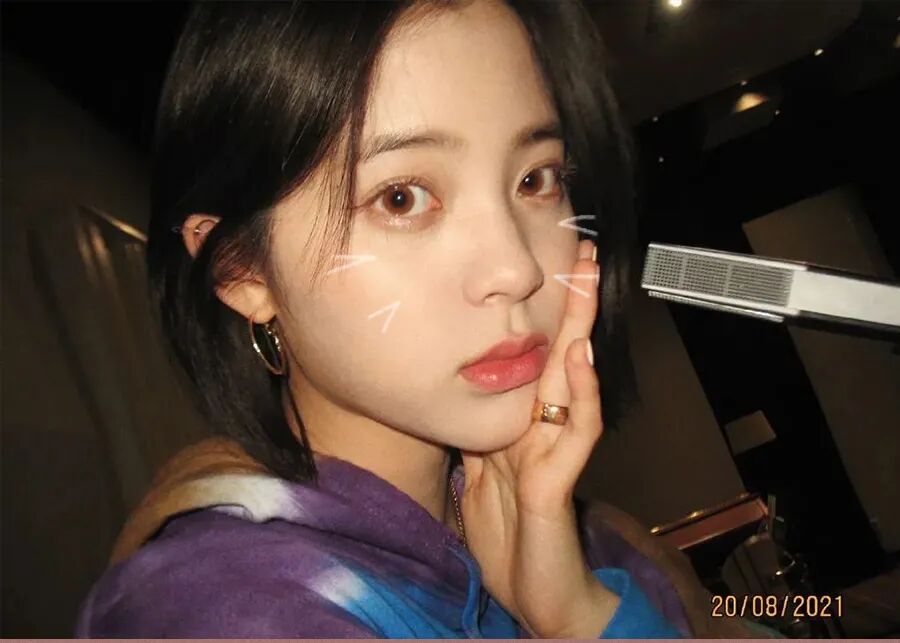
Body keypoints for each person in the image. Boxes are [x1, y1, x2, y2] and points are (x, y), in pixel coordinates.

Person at [75, 0, 781, 638]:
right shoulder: (224, 612)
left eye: (536, 179)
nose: (517, 269)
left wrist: (579, 616)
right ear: (242, 270)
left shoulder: (598, 545)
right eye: (402, 198)